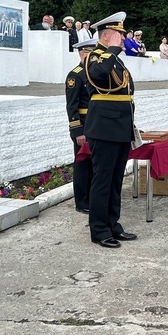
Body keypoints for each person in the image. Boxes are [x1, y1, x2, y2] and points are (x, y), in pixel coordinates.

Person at [83, 12, 138, 248]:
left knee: (115, 181)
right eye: (120, 35)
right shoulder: (95, 57)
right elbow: (99, 74)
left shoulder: (115, 59)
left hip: (120, 127)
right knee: (102, 181)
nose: (124, 38)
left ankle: (113, 225)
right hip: (104, 128)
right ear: (107, 35)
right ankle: (99, 230)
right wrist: (112, 50)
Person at [66, 37, 98, 215]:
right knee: (82, 164)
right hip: (83, 125)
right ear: (83, 53)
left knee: (94, 163)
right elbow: (72, 106)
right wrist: (77, 131)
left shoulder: (93, 72)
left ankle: (92, 197)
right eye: (91, 54)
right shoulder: (75, 75)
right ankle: (82, 201)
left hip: (95, 124)